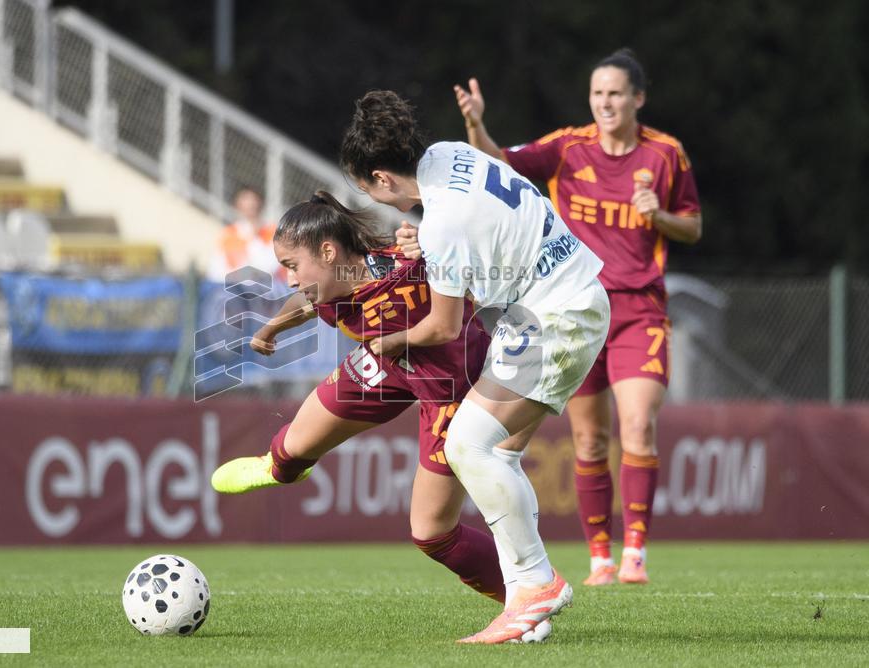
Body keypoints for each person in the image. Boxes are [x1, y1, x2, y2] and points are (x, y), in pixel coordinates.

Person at [210, 191, 553, 643]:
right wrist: (272, 328)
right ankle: (279, 468)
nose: (287, 278)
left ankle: (526, 600)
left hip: (446, 388)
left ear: (328, 252)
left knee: (431, 532)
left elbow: (463, 275)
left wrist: (430, 245)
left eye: (292, 266)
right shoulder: (331, 282)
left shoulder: (407, 265)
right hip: (386, 364)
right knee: (290, 451)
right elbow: (307, 304)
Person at [341, 90, 610, 644]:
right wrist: (430, 247)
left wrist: (390, 342)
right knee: (500, 453)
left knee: (468, 446)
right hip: (564, 298)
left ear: (382, 177)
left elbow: (440, 327)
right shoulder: (447, 155)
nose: (379, 203)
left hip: (552, 316)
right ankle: (525, 608)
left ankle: (536, 585)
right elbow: (485, 227)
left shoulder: (442, 223)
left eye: (369, 190)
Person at [445, 48, 703, 586]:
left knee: (639, 425)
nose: (605, 103)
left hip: (639, 309)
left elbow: (692, 228)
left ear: (638, 99)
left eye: (615, 94)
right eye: (597, 93)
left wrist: (659, 216)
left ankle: (635, 553)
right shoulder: (568, 147)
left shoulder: (666, 155)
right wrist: (476, 124)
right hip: (577, 307)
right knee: (588, 441)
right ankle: (601, 560)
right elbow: (497, 165)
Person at [207, 186, 283, 282]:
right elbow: (215, 271)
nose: (250, 205)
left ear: (260, 204)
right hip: (231, 287)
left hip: (264, 287)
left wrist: (255, 237)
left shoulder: (272, 231)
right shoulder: (228, 234)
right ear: (237, 205)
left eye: (253, 201)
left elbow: (270, 268)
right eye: (245, 200)